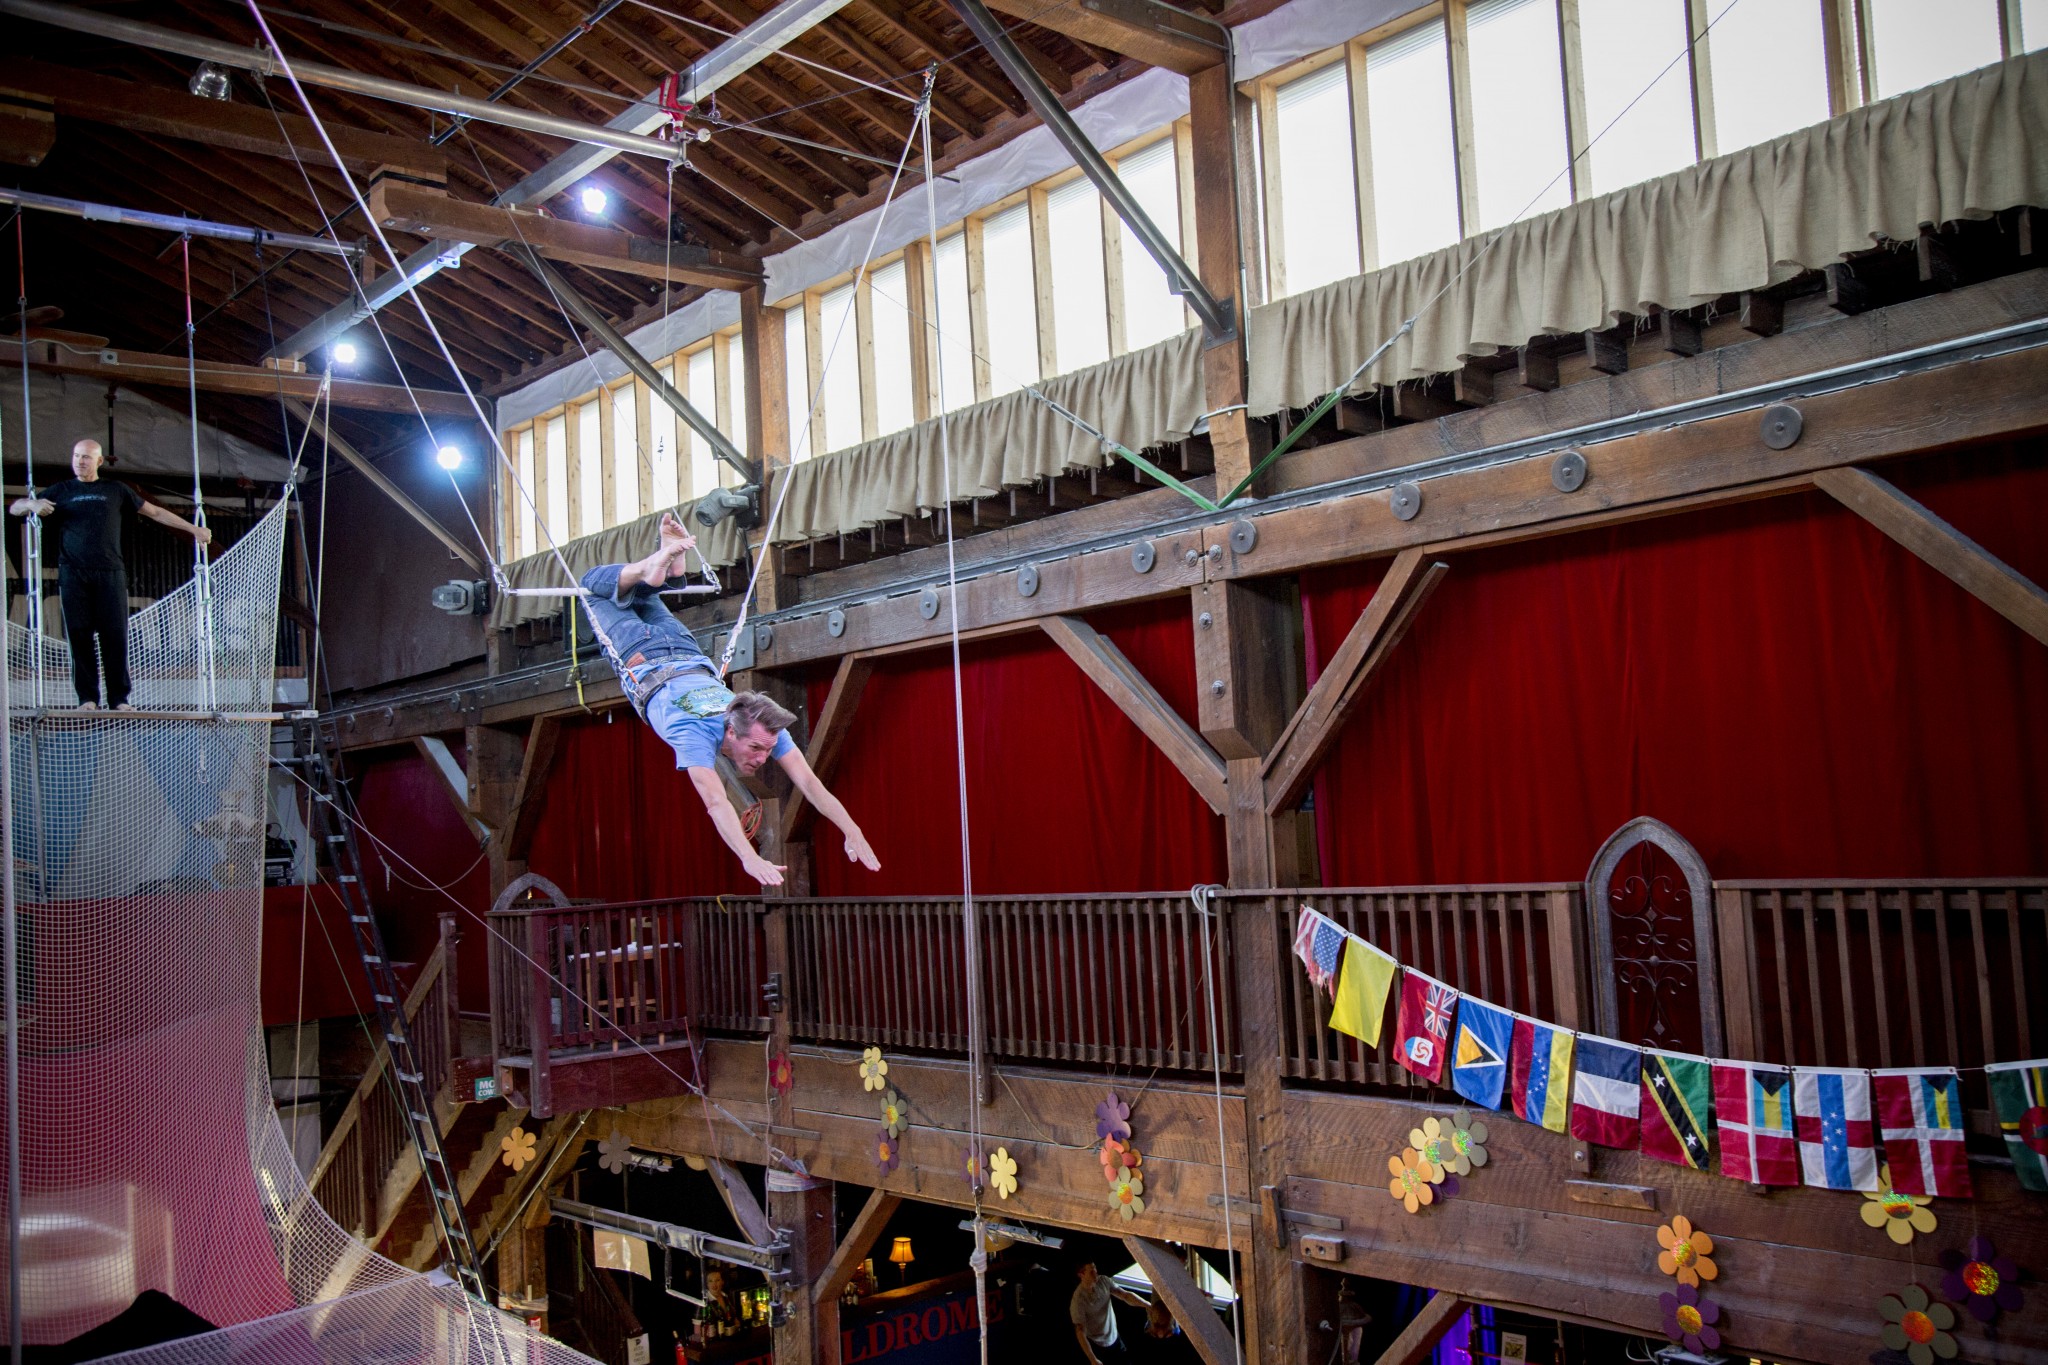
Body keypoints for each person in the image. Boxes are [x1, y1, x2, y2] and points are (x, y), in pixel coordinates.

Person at [580, 512, 879, 887]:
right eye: (756, 748)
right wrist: (748, 858)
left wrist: (852, 829)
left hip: (685, 653)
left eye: (766, 751)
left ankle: (661, 570)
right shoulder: (693, 733)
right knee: (590, 588)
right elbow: (717, 803)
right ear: (731, 732)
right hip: (644, 657)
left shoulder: (760, 724)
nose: (762, 757)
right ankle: (657, 569)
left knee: (629, 589)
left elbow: (812, 785)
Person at [9, 437, 211, 709]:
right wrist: (32, 505)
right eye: (76, 456)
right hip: (73, 573)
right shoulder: (62, 490)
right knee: (79, 635)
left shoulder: (116, 490)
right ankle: (87, 698)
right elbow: (15, 507)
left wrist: (194, 529)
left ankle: (119, 698)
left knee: (114, 634)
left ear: (99, 461)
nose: (80, 461)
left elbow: (155, 512)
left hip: (110, 572)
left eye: (86, 457)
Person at [1071, 1261, 1147, 1365]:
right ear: (1081, 1275)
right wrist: (1092, 1359)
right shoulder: (1078, 1300)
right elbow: (1080, 1331)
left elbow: (1125, 1295)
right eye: (1091, 1271)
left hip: (1114, 1339)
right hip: (1097, 1345)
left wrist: (1148, 1305)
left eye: (1095, 1269)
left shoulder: (1104, 1281)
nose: (1096, 1273)